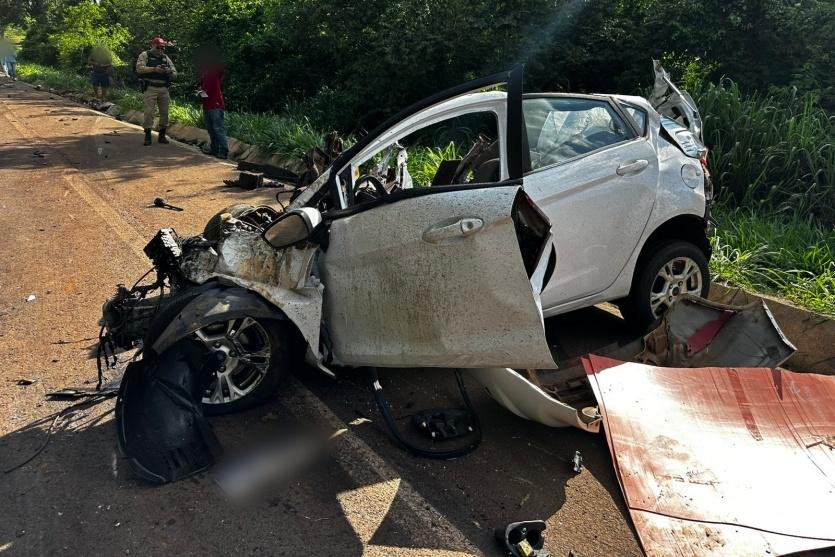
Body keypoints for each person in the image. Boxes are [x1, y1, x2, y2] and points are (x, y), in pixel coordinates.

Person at [135, 36, 177, 146]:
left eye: (162, 48)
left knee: (165, 113)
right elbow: (139, 68)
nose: (160, 50)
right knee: (149, 112)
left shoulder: (165, 58)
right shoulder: (145, 55)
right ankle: (148, 135)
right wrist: (154, 69)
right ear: (153, 45)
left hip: (163, 88)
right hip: (150, 87)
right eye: (158, 47)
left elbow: (175, 74)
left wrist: (168, 71)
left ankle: (162, 135)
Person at [197, 50, 228, 159]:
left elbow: (221, 70)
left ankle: (223, 151)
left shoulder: (215, 72)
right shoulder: (204, 73)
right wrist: (200, 92)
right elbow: (201, 88)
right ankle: (214, 149)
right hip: (206, 105)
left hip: (216, 105)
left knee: (218, 129)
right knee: (211, 129)